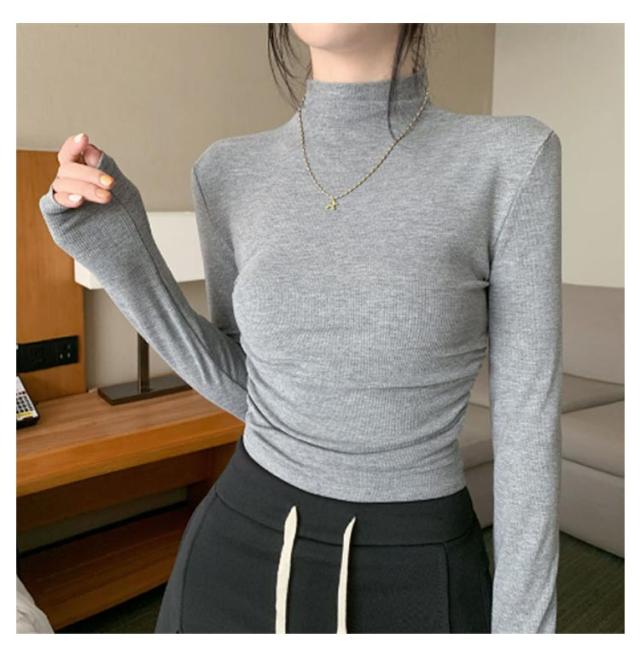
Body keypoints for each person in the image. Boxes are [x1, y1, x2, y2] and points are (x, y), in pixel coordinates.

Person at [38, 23, 562, 634]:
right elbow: (249, 385)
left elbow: (528, 431)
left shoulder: (512, 159)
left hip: (416, 566)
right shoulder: (224, 171)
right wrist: (119, 257)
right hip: (238, 546)